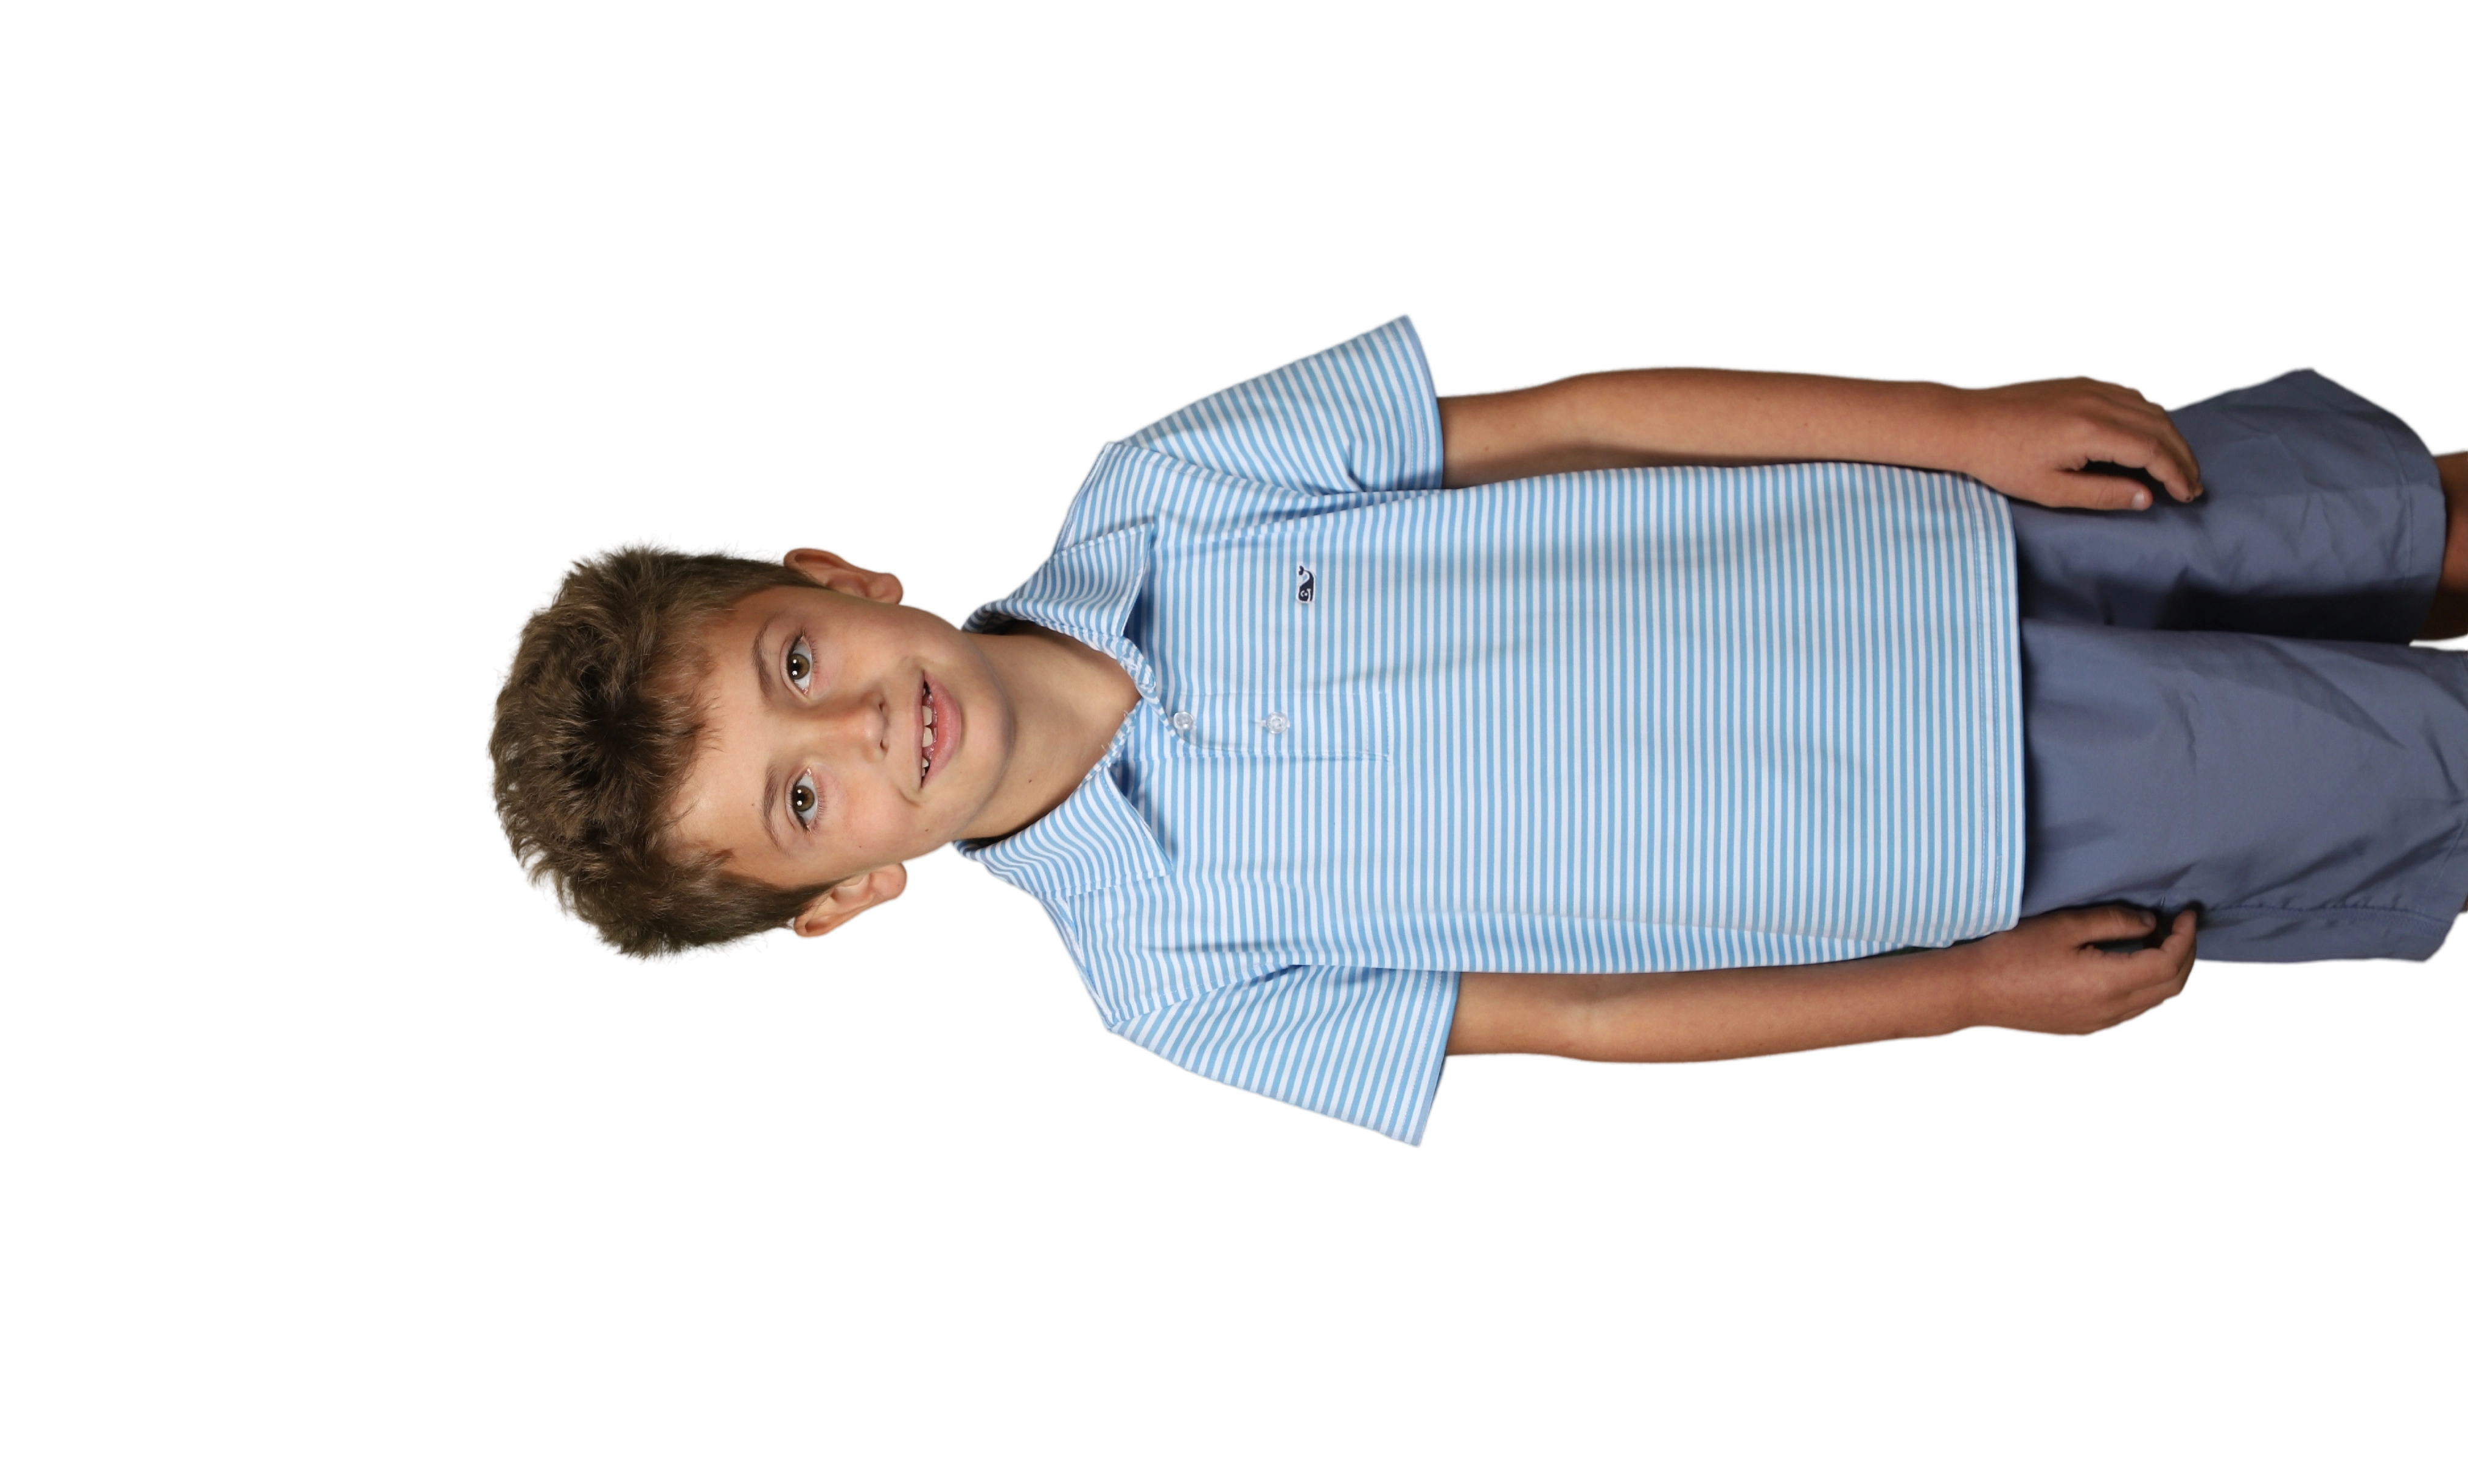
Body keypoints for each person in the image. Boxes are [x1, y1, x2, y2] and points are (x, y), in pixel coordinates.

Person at [482, 313, 2468, 1147]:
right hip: (1978, 825)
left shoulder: (1168, 485)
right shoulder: (1175, 981)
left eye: (794, 663)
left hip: (1937, 526)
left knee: (2377, 516)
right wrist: (1962, 996)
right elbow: (1581, 1024)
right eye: (801, 800)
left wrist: (1956, 422)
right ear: (838, 901)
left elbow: (1572, 420)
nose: (859, 726)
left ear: (828, 571)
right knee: (2406, 767)